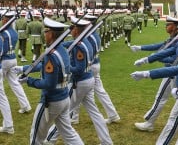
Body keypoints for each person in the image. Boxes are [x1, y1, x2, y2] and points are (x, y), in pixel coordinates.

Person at [12, 17, 84, 145]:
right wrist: (23, 68)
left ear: (51, 34)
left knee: (36, 138)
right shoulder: (61, 50)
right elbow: (43, 66)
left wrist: (29, 81)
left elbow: (48, 84)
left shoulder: (51, 54)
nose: (44, 33)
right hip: (63, 97)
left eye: (46, 31)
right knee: (69, 134)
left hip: (51, 101)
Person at [45, 16, 113, 145]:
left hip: (80, 83)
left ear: (77, 29)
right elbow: (68, 44)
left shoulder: (79, 45)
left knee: (63, 113)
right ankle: (106, 141)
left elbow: (79, 69)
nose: (71, 31)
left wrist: (65, 67)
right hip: (88, 80)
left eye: (73, 28)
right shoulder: (83, 41)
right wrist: (56, 46)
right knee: (95, 113)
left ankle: (50, 139)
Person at [71, 14, 121, 125]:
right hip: (94, 65)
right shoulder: (93, 34)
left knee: (78, 90)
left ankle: (74, 117)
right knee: (99, 91)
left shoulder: (89, 36)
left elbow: (87, 55)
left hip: (90, 66)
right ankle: (113, 114)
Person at [0, 11, 32, 114]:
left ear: (6, 20)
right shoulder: (13, 32)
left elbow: (2, 50)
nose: (2, 20)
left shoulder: (4, 33)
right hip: (12, 58)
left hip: (5, 60)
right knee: (15, 83)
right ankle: (25, 105)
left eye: (3, 18)